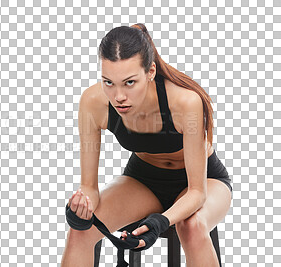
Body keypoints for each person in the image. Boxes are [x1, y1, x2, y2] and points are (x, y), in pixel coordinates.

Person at [61, 23, 232, 267]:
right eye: (108, 82)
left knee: (191, 226)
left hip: (203, 180)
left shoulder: (185, 103)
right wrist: (80, 209)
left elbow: (197, 192)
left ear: (150, 71)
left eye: (129, 82)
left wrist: (161, 221)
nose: (118, 95)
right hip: (143, 180)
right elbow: (89, 187)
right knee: (81, 230)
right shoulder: (92, 103)